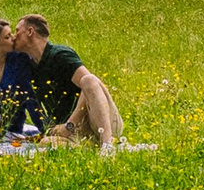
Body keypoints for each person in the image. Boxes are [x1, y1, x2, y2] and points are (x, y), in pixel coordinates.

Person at [12, 13, 124, 150]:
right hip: (76, 133)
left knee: (88, 80)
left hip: (98, 121)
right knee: (46, 143)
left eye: (17, 30)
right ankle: (92, 149)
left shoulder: (60, 55)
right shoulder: (32, 67)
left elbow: (90, 88)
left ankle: (108, 145)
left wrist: (70, 125)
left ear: (30, 31)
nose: (14, 35)